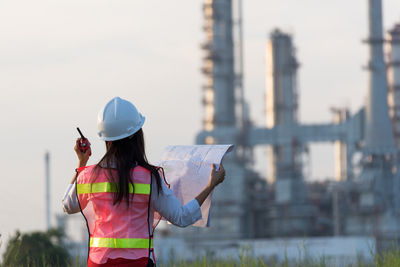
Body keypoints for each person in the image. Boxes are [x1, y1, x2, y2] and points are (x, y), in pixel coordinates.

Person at [62, 96, 226, 267]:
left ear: (106, 140)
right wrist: (210, 185)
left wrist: (81, 163)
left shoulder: (89, 176)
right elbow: (181, 217)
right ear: (136, 136)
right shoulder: (149, 177)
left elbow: (68, 205)